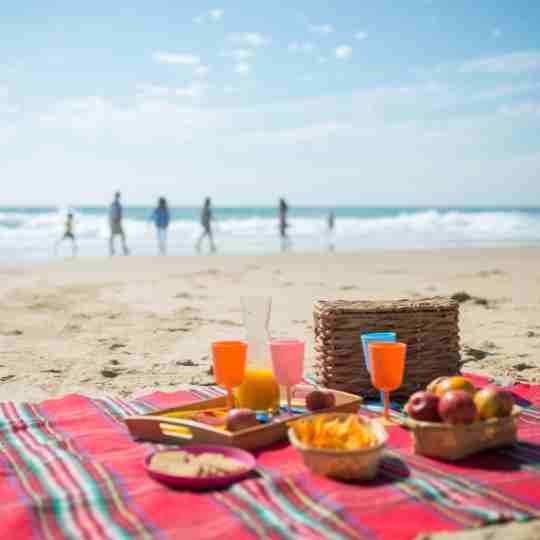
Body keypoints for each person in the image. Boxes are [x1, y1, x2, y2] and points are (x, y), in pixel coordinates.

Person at [109, 191, 130, 256]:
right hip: (115, 222)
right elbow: (113, 213)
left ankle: (116, 248)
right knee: (119, 235)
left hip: (115, 221)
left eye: (118, 196)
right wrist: (115, 220)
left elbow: (114, 213)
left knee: (120, 235)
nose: (118, 197)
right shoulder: (115, 204)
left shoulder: (116, 204)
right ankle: (116, 249)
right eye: (118, 196)